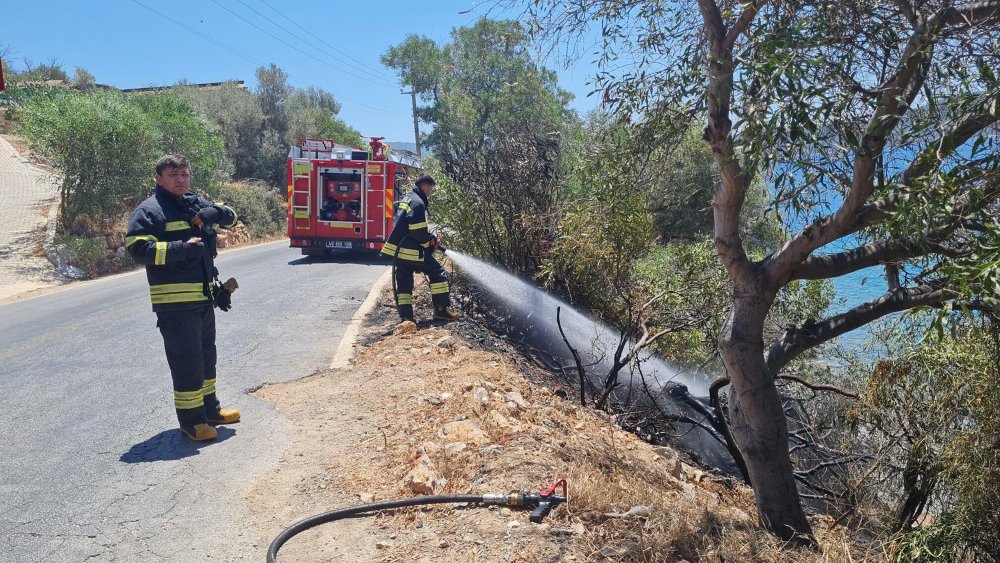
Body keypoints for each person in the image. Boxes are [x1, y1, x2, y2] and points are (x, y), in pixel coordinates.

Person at [125, 154, 240, 441]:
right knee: (187, 361)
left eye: (184, 174)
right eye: (173, 175)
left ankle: (210, 410)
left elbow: (232, 216)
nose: (180, 180)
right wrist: (181, 249)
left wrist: (215, 213)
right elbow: (137, 249)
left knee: (207, 357)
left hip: (203, 299)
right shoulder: (150, 211)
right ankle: (192, 421)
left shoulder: (194, 202)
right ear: (159, 179)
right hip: (174, 304)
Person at [380, 174, 460, 324]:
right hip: (413, 252)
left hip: (401, 251)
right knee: (438, 273)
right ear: (425, 186)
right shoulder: (418, 203)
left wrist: (430, 239)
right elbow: (417, 231)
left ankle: (406, 317)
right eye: (430, 188)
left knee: (403, 282)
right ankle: (441, 310)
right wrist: (428, 243)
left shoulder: (408, 198)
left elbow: (409, 227)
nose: (430, 191)